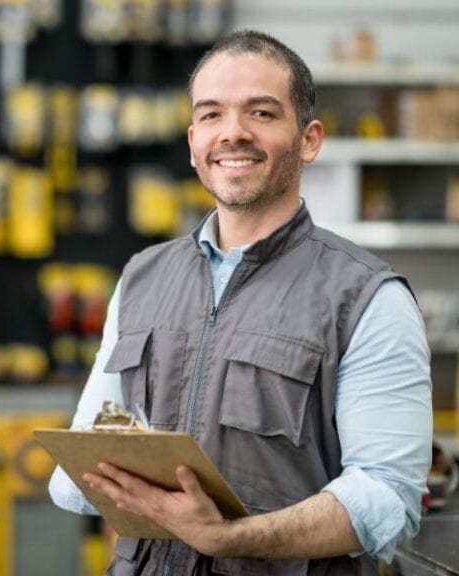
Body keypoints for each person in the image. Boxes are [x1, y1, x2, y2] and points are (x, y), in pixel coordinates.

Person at [48, 29, 433, 576]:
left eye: (261, 113)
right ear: (192, 144)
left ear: (309, 139)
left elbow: (388, 498)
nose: (232, 134)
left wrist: (228, 536)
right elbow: (79, 470)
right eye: (211, 115)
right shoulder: (141, 278)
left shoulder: (367, 298)